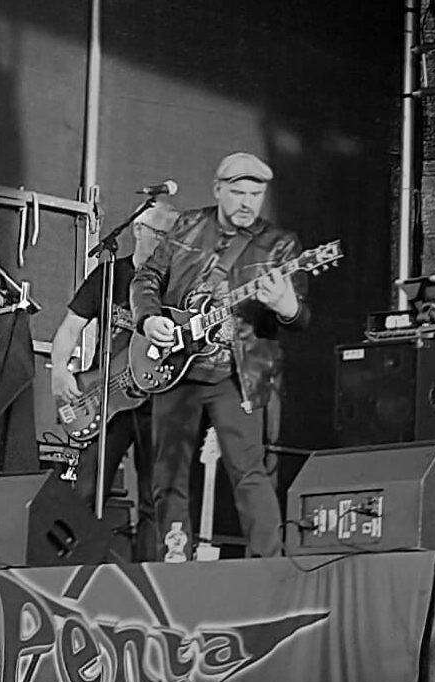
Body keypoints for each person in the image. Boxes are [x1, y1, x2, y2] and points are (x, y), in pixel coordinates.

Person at [131, 153, 310, 558]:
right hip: (176, 368)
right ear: (218, 190)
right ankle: (174, 558)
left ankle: (267, 564)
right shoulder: (188, 225)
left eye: (255, 194)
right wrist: (149, 319)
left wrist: (286, 306)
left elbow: (300, 317)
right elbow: (147, 276)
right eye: (238, 192)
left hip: (237, 374)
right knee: (168, 476)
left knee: (248, 472)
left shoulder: (279, 244)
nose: (247, 202)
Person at [48, 200, 180, 557]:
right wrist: (59, 369)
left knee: (156, 498)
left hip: (158, 399)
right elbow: (70, 327)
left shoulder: (177, 285)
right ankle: (71, 568)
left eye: (172, 239)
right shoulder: (109, 276)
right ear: (138, 229)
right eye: (160, 235)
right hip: (107, 397)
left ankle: (147, 574)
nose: (166, 244)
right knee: (86, 492)